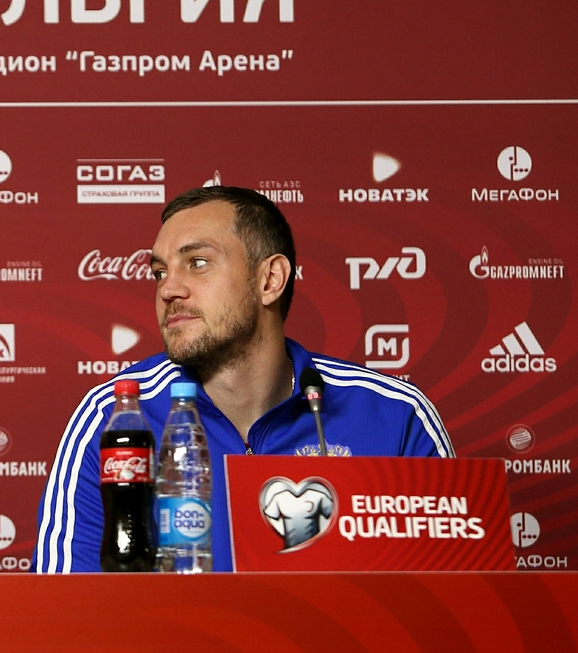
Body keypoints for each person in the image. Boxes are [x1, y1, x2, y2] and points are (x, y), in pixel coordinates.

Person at [34, 186, 452, 573]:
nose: (168, 290)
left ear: (269, 280)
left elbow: (454, 604)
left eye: (197, 263)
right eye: (160, 272)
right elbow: (62, 610)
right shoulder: (116, 416)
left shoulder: (397, 415)